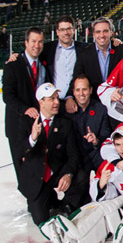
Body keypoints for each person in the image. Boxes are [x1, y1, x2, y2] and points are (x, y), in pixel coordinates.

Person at [16, 83, 85, 225]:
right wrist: (32, 138)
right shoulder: (26, 122)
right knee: (41, 219)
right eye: (51, 99)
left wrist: (68, 175)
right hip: (37, 177)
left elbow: (74, 155)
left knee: (81, 177)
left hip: (57, 173)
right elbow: (19, 151)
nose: (56, 102)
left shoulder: (65, 124)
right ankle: (50, 200)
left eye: (57, 98)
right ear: (41, 102)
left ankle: (66, 203)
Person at [3, 27, 50, 183]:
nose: (36, 45)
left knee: (38, 164)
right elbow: (8, 96)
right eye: (33, 41)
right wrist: (25, 109)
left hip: (37, 123)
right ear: (26, 42)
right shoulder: (13, 65)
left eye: (40, 41)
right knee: (22, 167)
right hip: (17, 125)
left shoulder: (45, 62)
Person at [69, 17, 123, 101]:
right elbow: (77, 78)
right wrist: (70, 98)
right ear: (93, 34)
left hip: (118, 102)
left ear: (111, 32)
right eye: (98, 32)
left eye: (105, 31)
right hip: (94, 103)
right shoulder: (84, 54)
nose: (102, 35)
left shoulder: (122, 50)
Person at [66, 75, 111, 174]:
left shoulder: (100, 109)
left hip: (95, 154)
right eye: (78, 90)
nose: (81, 94)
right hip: (75, 158)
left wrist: (96, 141)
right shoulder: (67, 111)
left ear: (90, 90)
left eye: (84, 89)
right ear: (73, 92)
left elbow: (106, 135)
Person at [41, 15, 87, 106]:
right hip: (55, 103)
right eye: (62, 30)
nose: (66, 33)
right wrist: (17, 56)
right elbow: (32, 50)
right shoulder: (48, 49)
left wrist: (114, 41)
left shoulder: (84, 48)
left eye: (69, 29)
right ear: (57, 32)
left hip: (78, 102)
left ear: (74, 30)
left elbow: (101, 47)